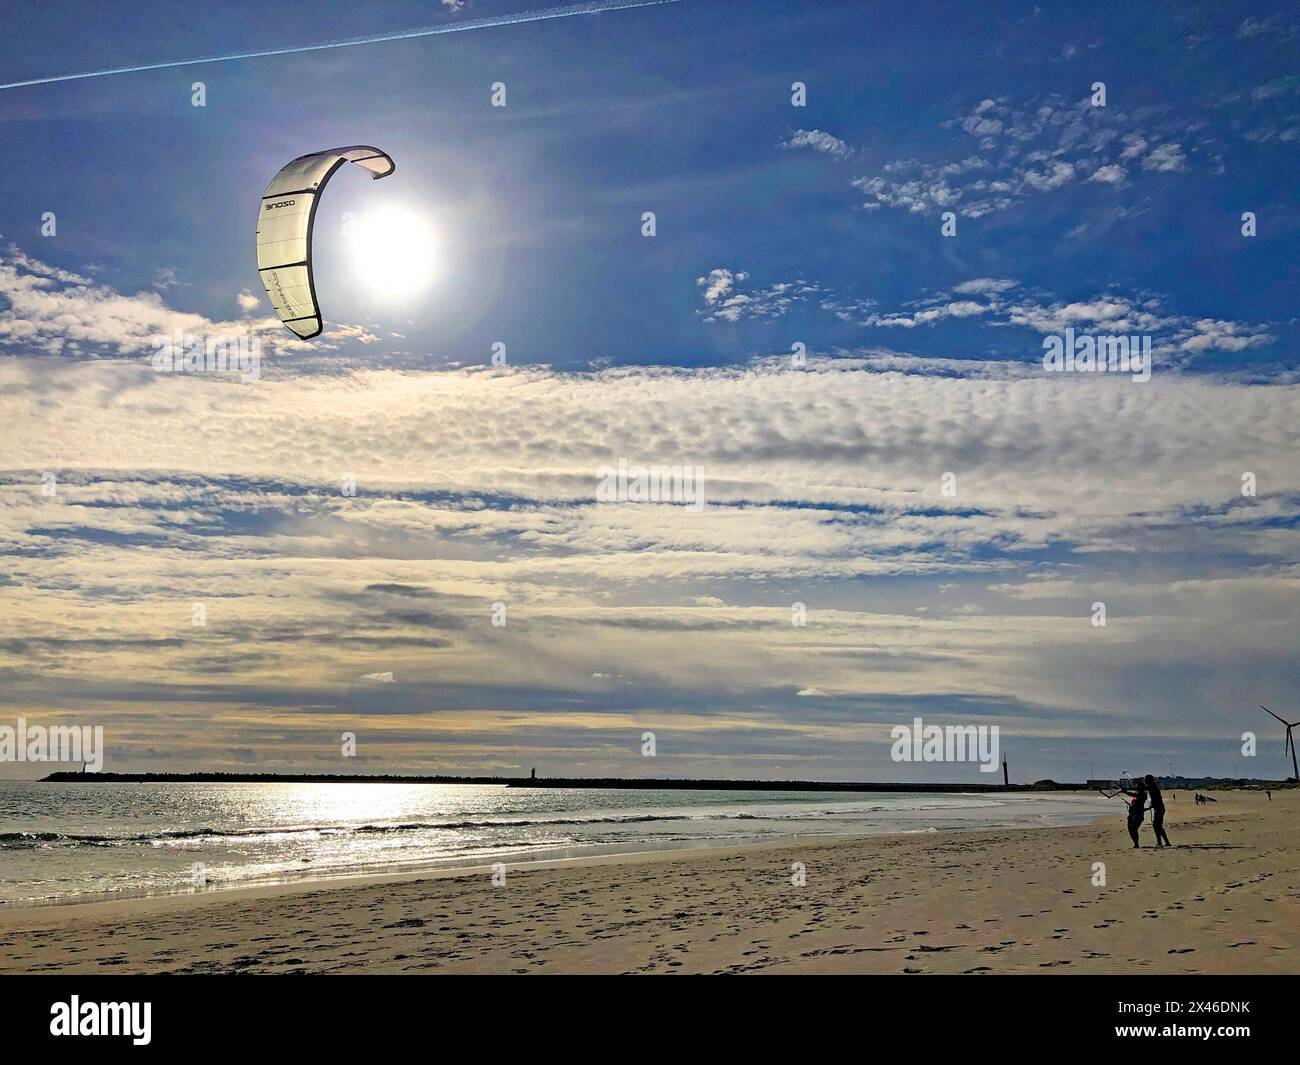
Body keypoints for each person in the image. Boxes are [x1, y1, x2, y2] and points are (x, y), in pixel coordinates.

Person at [1118, 779, 1148, 848]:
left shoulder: (1143, 794)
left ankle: (1136, 844)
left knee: (1134, 828)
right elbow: (1134, 798)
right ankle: (1135, 843)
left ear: (1141, 788)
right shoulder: (1137, 793)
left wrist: (1125, 791)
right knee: (1130, 828)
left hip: (1138, 814)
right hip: (1132, 813)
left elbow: (1133, 794)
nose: (1135, 788)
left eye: (1137, 787)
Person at [1145, 774, 1171, 847]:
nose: (1145, 781)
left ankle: (1160, 843)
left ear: (1149, 780)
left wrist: (1149, 807)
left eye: (1146, 779)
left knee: (1156, 826)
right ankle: (1165, 842)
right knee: (1158, 826)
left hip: (1159, 809)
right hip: (1159, 808)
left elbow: (1156, 799)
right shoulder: (1153, 786)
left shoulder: (1152, 786)